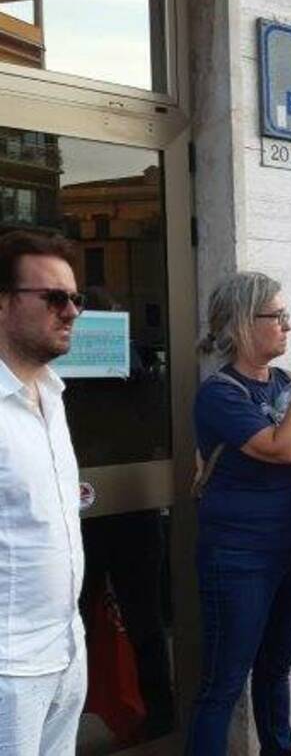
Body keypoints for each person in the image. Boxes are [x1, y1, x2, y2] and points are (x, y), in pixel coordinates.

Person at [186, 271, 291, 755]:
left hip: (287, 547)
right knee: (224, 682)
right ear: (241, 322)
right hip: (236, 555)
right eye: (276, 316)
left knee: (276, 670)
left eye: (286, 315)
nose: (286, 325)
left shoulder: (285, 383)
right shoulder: (220, 394)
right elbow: (280, 448)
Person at [0, 229, 87, 753]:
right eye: (54, 298)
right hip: (9, 669)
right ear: (4, 304)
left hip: (67, 649)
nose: (72, 311)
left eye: (76, 298)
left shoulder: (51, 395)